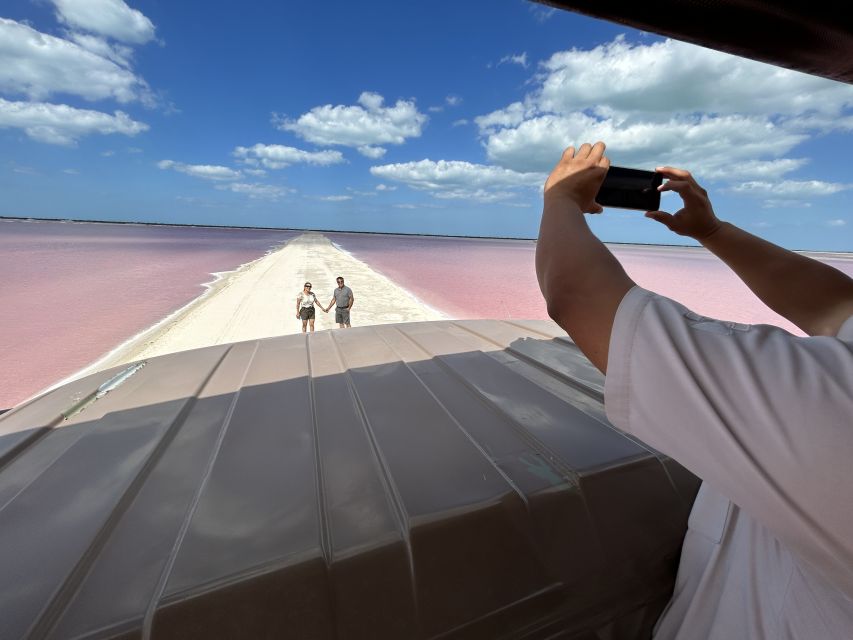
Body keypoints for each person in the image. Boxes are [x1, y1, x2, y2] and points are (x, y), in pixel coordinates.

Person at [537, 141, 853, 638]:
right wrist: (712, 231)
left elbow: (582, 300)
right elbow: (838, 307)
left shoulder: (834, 404)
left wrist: (559, 200)